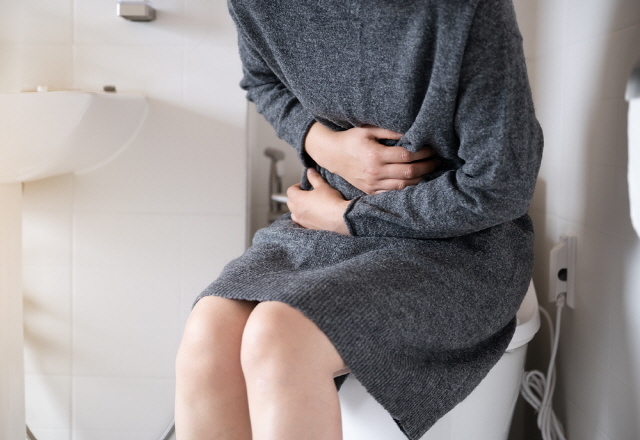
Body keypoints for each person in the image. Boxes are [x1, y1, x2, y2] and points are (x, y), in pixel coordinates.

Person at [174, 0, 543, 439]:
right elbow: (262, 80)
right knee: (209, 329)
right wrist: (322, 144)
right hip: (325, 221)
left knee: (280, 335)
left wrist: (348, 217)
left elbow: (500, 186)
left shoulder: (458, 9)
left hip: (456, 236)